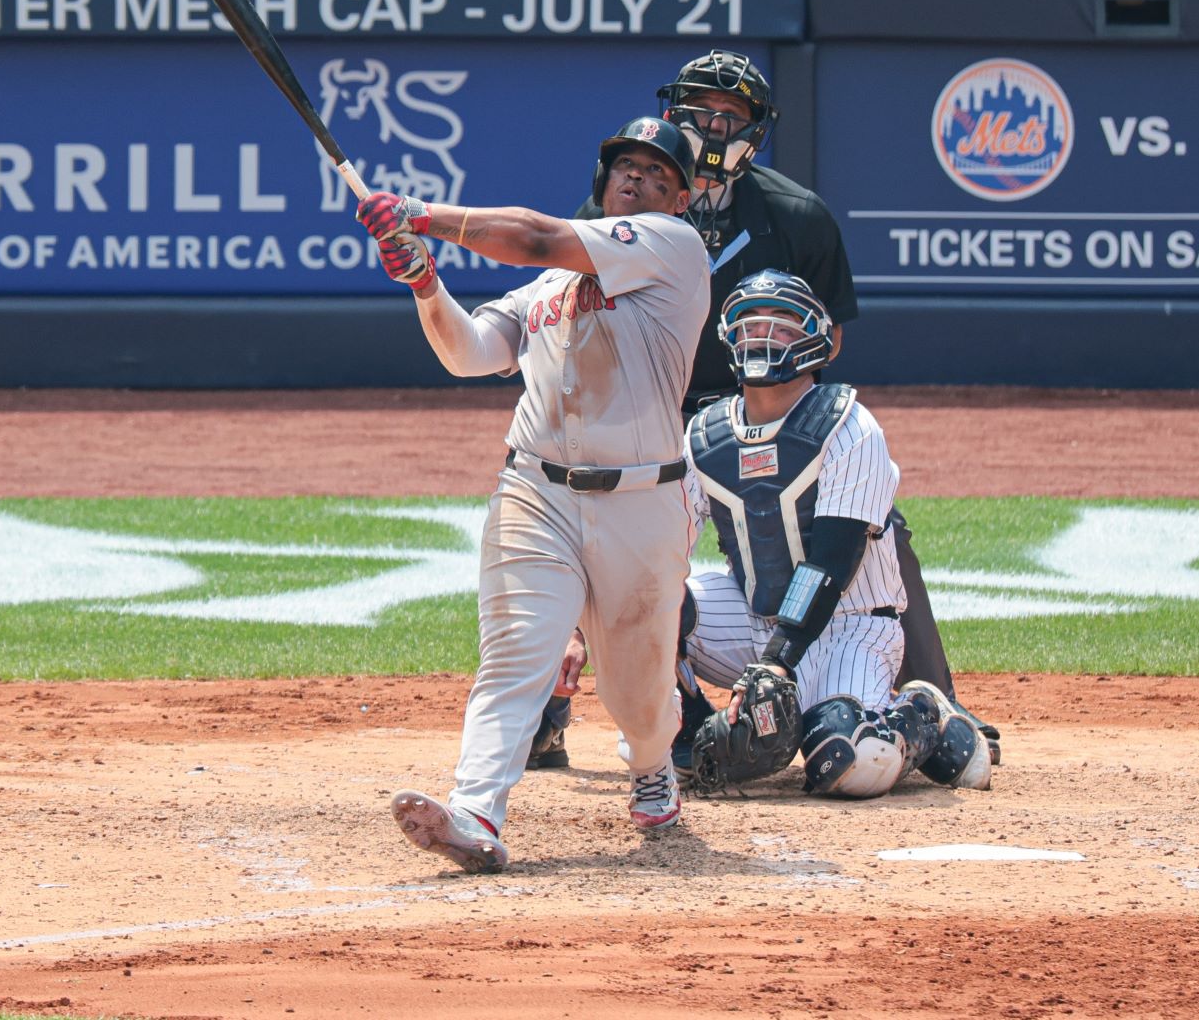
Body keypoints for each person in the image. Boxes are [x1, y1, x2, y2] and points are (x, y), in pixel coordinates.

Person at [532, 49, 998, 775]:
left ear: (757, 129)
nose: (715, 127)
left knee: (879, 529)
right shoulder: (621, 205)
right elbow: (569, 312)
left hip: (759, 405)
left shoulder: (793, 214)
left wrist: (763, 402)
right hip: (644, 406)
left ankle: (935, 696)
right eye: (701, 112)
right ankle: (553, 716)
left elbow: (830, 332)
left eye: (733, 116)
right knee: (590, 533)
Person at [362, 116, 710, 872]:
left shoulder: (674, 250)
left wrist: (424, 218)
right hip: (535, 491)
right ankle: (476, 810)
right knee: (515, 655)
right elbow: (471, 353)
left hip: (643, 503)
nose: (639, 181)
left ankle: (652, 763)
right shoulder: (548, 289)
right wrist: (425, 280)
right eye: (628, 167)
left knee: (638, 695)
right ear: (604, 177)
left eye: (659, 175)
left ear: (681, 200)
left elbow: (535, 234)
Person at [676, 269, 990, 798]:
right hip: (753, 617)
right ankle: (684, 731)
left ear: (815, 340)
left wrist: (773, 665)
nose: (762, 336)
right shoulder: (703, 433)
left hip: (851, 626)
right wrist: (593, 627)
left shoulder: (850, 425)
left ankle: (922, 717)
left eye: (781, 326)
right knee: (647, 606)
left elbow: (830, 565)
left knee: (850, 761)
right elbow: (661, 552)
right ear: (727, 337)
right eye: (749, 324)